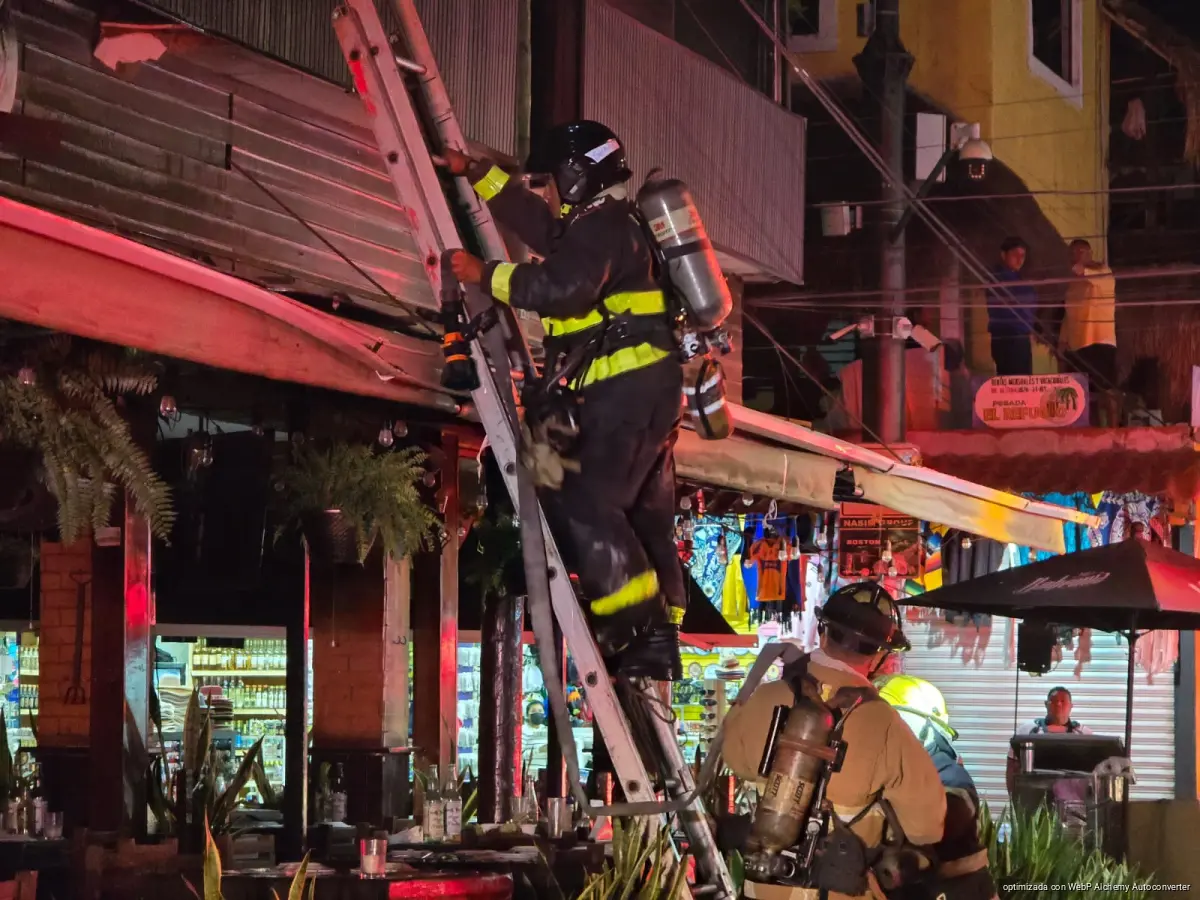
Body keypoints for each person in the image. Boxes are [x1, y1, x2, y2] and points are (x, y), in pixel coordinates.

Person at [441, 121, 685, 682]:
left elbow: (560, 289)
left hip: (624, 391)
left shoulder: (604, 228)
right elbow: (546, 229)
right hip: (647, 394)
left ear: (575, 178)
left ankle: (639, 630)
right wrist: (478, 174)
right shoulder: (609, 225)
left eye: (549, 182)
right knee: (643, 515)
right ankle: (659, 632)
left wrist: (484, 273)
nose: (547, 193)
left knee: (586, 504)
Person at [723, 583, 946, 900]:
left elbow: (733, 759)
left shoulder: (765, 696)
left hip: (764, 889)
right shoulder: (883, 722)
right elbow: (927, 828)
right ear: (879, 655)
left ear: (822, 630)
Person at [876, 675, 999, 900]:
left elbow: (951, 816)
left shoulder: (949, 774)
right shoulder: (896, 771)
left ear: (922, 726)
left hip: (961, 890)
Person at [1061, 239, 1119, 425]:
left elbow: (1097, 278)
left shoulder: (1103, 271)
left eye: (1081, 252)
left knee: (1106, 388)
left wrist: (1084, 271)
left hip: (1100, 339)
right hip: (1077, 344)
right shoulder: (1072, 284)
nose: (1076, 256)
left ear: (1090, 253)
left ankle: (1114, 429)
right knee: (1085, 392)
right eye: (1073, 253)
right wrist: (1063, 339)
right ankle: (1094, 430)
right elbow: (1068, 314)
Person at [1005, 686, 1092, 796]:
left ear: (1071, 706)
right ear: (1046, 704)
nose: (1058, 704)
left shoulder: (1084, 734)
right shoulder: (1026, 731)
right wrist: (1013, 797)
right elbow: (1012, 767)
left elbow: (1093, 771)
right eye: (1054, 701)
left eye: (1063, 701)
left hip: (1072, 799)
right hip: (1033, 796)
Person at [986, 236, 1038, 377]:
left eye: (1022, 256)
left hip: (1020, 338)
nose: (1019, 260)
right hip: (1008, 338)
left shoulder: (1018, 278)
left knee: (1022, 381)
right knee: (1014, 382)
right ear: (1004, 255)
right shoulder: (998, 279)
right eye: (1015, 255)